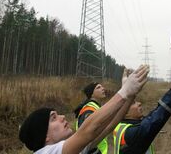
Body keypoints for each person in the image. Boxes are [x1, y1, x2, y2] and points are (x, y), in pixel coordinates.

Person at [19, 65, 150, 154]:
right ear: (44, 135)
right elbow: (87, 130)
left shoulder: (73, 148)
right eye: (54, 118)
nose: (62, 117)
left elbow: (110, 126)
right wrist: (124, 91)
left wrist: (130, 93)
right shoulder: (46, 152)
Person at [112, 65, 171, 154]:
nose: (139, 103)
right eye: (133, 103)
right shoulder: (130, 133)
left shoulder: (122, 127)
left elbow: (155, 113)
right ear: (124, 113)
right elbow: (156, 119)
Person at [73, 82, 109, 153]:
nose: (103, 88)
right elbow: (86, 136)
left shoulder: (96, 107)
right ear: (91, 94)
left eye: (102, 87)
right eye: (98, 87)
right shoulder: (89, 109)